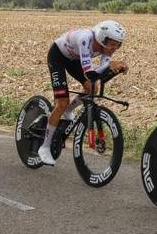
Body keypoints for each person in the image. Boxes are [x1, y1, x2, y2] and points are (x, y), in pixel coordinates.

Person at [37, 20, 128, 166]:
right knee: (62, 102)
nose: (114, 49)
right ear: (101, 38)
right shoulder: (86, 38)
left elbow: (100, 76)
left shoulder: (105, 49)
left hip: (75, 59)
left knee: (92, 88)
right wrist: (109, 66)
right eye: (112, 44)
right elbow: (90, 74)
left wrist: (114, 70)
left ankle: (68, 110)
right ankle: (45, 147)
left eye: (118, 45)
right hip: (58, 56)